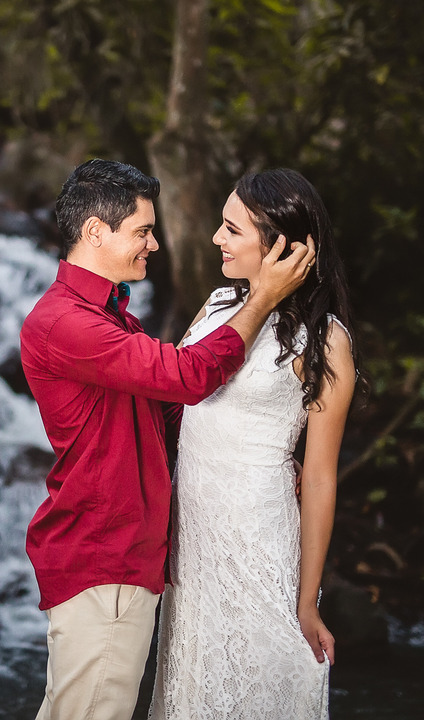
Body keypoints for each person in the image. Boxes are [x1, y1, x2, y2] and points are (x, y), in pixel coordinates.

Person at [20, 159, 316, 720]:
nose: (154, 244)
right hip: (104, 557)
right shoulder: (67, 323)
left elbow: (173, 417)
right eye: (142, 231)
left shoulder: (111, 321)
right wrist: (264, 297)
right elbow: (188, 377)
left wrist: (256, 456)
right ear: (95, 232)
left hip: (121, 557)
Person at [149, 168, 359, 719]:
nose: (216, 238)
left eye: (231, 228)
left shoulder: (326, 341)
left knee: (265, 684)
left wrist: (308, 601)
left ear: (282, 246)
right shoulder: (218, 307)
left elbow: (317, 476)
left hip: (258, 542)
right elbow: (181, 401)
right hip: (193, 547)